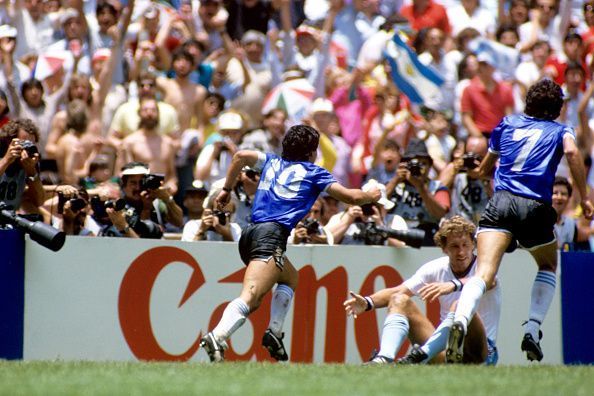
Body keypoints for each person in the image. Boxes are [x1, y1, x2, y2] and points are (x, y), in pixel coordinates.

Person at [200, 124, 381, 363]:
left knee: (290, 277)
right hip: (271, 235)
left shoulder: (271, 162)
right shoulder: (314, 173)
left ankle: (274, 332)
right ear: (311, 152)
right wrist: (372, 195)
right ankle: (217, 336)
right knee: (251, 296)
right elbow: (352, 197)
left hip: (249, 235)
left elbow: (240, 156)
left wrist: (225, 190)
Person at [446, 79, 594, 364]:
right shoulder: (562, 129)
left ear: (528, 103)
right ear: (557, 109)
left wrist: (473, 169)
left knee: (484, 273)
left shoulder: (507, 123)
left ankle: (461, 319)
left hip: (500, 202)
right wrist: (585, 197)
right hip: (535, 206)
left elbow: (485, 170)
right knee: (548, 264)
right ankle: (533, 328)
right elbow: (574, 153)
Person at [344, 216, 500, 365]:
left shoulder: (484, 266)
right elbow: (399, 290)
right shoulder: (436, 267)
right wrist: (367, 302)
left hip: (481, 353)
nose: (461, 252)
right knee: (399, 300)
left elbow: (488, 280)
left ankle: (421, 355)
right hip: (443, 349)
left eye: (465, 245)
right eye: (454, 246)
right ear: (444, 248)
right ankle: (384, 359)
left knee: (460, 304)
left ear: (473, 244)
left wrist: (453, 284)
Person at [0, 119, 43, 211]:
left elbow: (38, 201)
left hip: (9, 220)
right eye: (23, 143)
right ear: (9, 141)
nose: (26, 149)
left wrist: (31, 172)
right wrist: (6, 160)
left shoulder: (30, 162)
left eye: (31, 144)